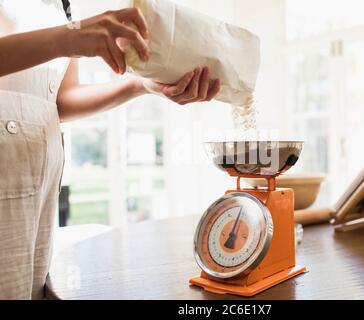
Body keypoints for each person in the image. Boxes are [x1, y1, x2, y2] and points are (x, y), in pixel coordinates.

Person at [0, 0, 220, 300]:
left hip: (40, 187)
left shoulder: (63, 3)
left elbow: (59, 100)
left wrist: (141, 85)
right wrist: (65, 37)